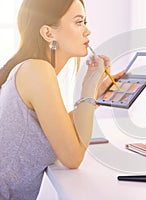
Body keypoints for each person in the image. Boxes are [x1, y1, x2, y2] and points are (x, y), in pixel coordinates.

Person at [0, 0, 123, 199]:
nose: (87, 31)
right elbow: (72, 157)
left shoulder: (31, 69)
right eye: (79, 22)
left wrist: (95, 95)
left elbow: (58, 128)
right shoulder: (37, 70)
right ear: (48, 33)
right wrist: (89, 86)